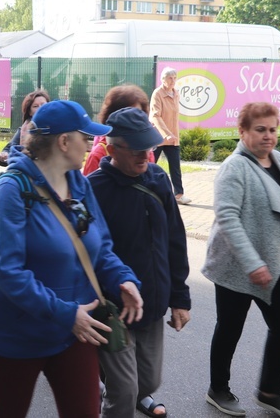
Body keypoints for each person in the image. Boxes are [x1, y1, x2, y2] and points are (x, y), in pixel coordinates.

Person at [0, 100, 143, 417]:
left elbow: (101, 247)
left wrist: (123, 279)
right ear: (64, 142)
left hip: (75, 331)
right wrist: (67, 314)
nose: (91, 143)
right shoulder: (11, 191)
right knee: (6, 413)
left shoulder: (79, 184)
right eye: (85, 137)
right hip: (16, 332)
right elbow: (8, 272)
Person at [202, 102, 280, 417]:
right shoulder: (235, 167)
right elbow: (228, 218)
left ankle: (269, 391)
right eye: (260, 130)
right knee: (230, 327)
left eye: (273, 129)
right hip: (238, 265)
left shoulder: (278, 159)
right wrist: (252, 263)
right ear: (242, 131)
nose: (268, 136)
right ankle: (218, 389)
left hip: (276, 261)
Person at [89, 107, 191, 418]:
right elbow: (87, 253)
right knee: (124, 392)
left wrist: (179, 298)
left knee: (148, 382)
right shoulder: (94, 188)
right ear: (111, 149)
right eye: (135, 149)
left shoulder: (158, 179)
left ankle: (109, 375)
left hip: (153, 303)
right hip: (113, 309)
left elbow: (175, 239)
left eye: (147, 146)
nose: (144, 155)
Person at [82, 84, 152, 176]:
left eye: (139, 114)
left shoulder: (147, 152)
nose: (135, 120)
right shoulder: (97, 156)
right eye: (128, 116)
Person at [150, 67, 190, 205]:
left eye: (174, 78)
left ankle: (179, 194)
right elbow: (155, 116)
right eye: (170, 78)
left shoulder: (176, 93)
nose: (173, 81)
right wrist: (166, 134)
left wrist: (172, 135)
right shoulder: (157, 94)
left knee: (175, 167)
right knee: (149, 165)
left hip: (173, 138)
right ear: (163, 79)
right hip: (159, 137)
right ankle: (143, 191)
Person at [0, 90, 49, 167]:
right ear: (30, 112)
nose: (40, 108)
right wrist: (4, 155)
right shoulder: (23, 130)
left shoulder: (58, 128)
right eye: (35, 106)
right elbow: (10, 148)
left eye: (43, 104)